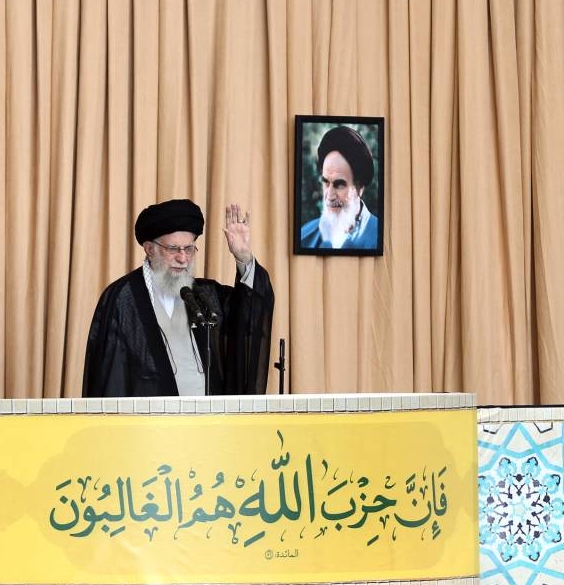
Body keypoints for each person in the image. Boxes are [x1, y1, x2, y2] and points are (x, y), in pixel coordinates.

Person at [82, 199, 274, 397]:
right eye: (173, 249)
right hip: (148, 416)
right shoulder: (122, 298)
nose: (183, 258)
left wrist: (243, 257)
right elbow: (110, 379)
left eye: (189, 249)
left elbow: (247, 315)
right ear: (149, 249)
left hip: (208, 415)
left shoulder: (205, 295)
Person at [299, 126, 379, 249]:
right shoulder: (304, 237)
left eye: (339, 184)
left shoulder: (380, 238)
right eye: (326, 182)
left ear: (360, 187)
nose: (329, 196)